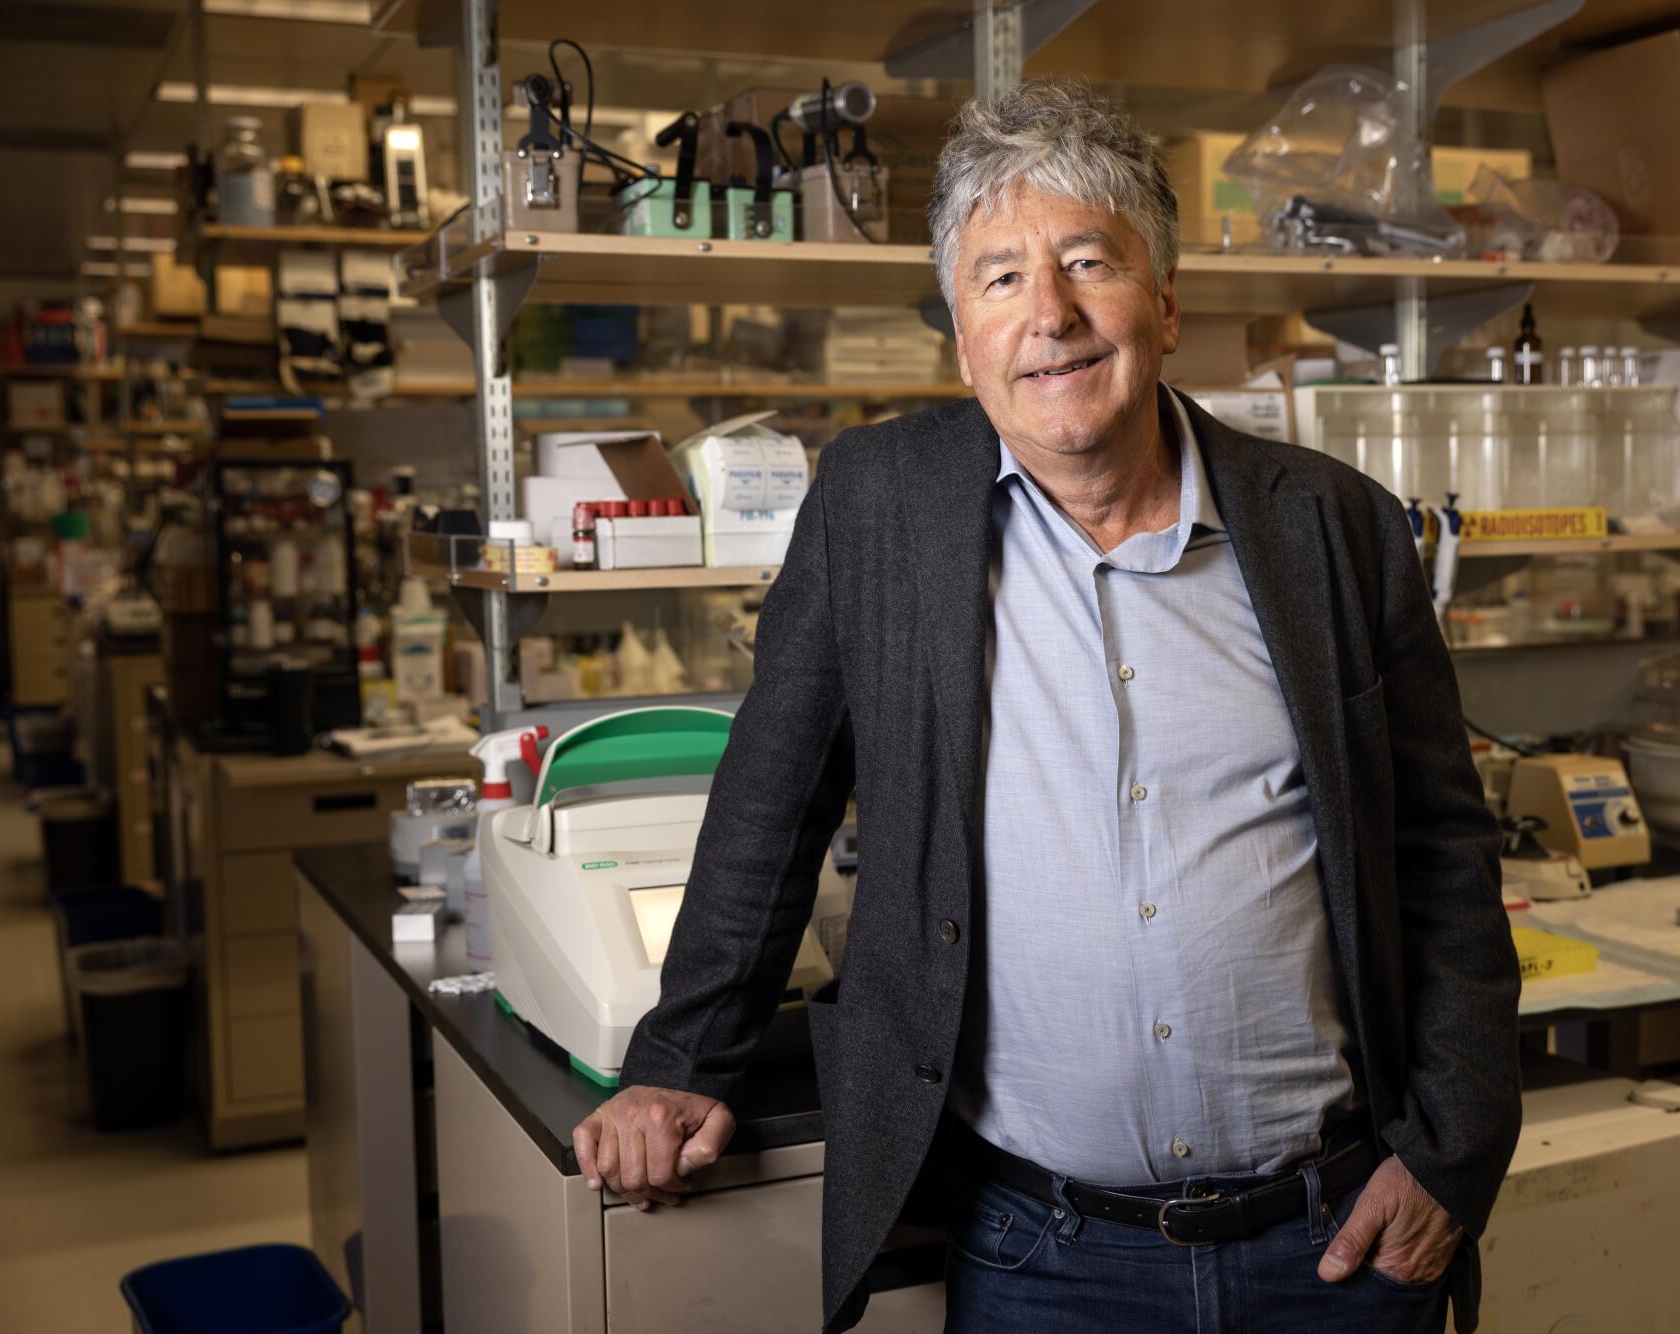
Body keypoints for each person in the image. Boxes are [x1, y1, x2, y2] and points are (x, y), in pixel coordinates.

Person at [573, 79, 1521, 1334]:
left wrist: (1450, 1153)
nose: (1051, 316)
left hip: (1333, 1245)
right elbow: (770, 803)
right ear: (961, 338)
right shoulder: (877, 507)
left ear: (1166, 302)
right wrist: (677, 1066)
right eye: (1000, 277)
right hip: (1042, 1253)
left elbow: (1441, 854)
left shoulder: (1331, 525)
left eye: (1088, 261)